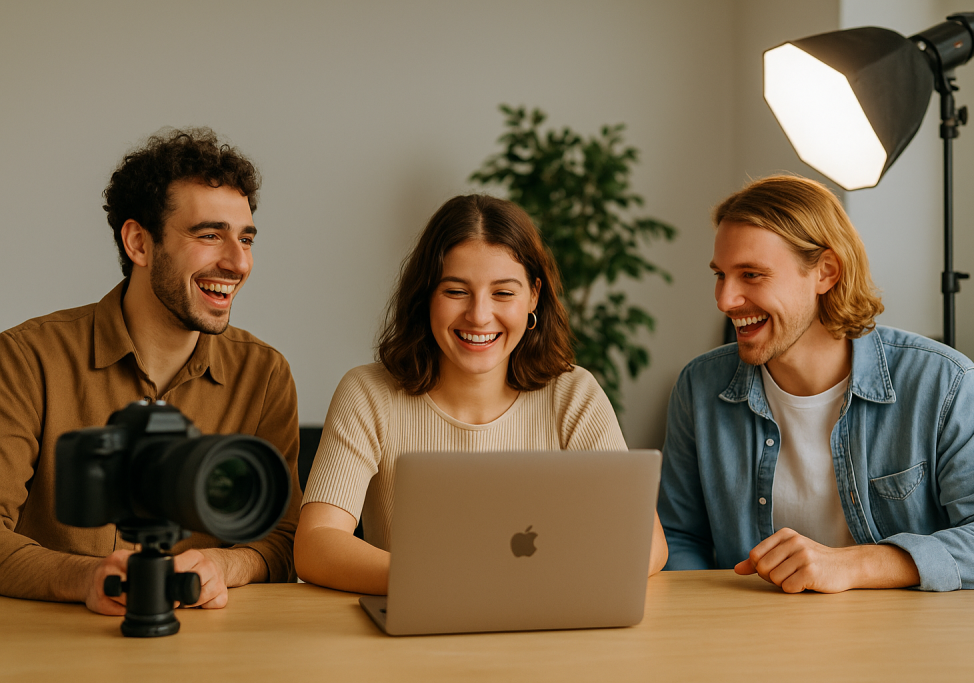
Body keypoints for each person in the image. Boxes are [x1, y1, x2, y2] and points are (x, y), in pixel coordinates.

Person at [658, 174, 974, 595]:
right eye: (721, 275)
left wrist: (859, 565)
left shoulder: (941, 383)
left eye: (752, 275)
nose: (725, 300)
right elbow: (679, 539)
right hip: (751, 646)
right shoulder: (699, 387)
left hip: (908, 646)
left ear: (826, 273)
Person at [295, 194, 668, 593]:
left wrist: (540, 584)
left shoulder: (574, 394)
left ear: (533, 297)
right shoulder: (368, 393)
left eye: (503, 293)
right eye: (456, 291)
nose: (479, 315)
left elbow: (647, 544)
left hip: (547, 629)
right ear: (426, 297)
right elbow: (316, 544)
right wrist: (446, 583)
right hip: (414, 634)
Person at [0, 128, 302, 615]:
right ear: (139, 242)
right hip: (56, 647)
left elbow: (286, 540)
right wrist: (83, 578)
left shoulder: (263, 374)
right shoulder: (25, 359)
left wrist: (225, 566)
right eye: (209, 235)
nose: (238, 262)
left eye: (245, 238)